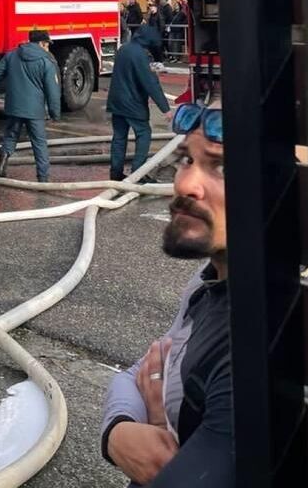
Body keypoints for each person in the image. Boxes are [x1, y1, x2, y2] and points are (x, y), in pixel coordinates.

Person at [101, 103, 232, 486]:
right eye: (186, 159)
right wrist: (119, 432)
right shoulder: (206, 282)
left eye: (220, 167)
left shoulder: (256, 345)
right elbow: (134, 374)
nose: (184, 184)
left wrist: (159, 421)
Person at [0, 29, 61, 182]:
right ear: (41, 43)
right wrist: (55, 113)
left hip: (14, 107)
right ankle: (43, 177)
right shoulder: (47, 62)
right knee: (39, 143)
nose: (48, 48)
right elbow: (53, 91)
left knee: (11, 135)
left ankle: (2, 164)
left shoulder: (12, 55)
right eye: (47, 44)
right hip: (35, 111)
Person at [107, 25, 171, 182]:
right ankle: (138, 173)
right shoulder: (140, 55)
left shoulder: (123, 49)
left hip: (116, 101)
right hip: (132, 103)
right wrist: (166, 109)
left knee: (119, 137)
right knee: (144, 134)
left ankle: (116, 173)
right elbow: (149, 83)